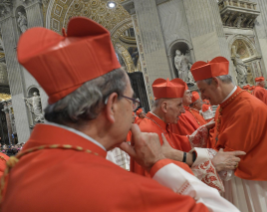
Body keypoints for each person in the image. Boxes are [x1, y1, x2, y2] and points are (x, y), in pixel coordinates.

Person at [1, 17, 240, 212]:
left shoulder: (17, 170)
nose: (135, 109)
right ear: (112, 106)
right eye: (132, 100)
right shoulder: (121, 193)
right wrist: (159, 165)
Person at [189, 57, 267, 212]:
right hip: (243, 180)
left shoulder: (247, 108)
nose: (202, 96)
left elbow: (229, 155)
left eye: (203, 90)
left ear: (215, 82)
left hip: (254, 185)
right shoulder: (225, 105)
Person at [132, 78, 246, 192]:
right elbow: (161, 182)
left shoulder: (159, 125)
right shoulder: (147, 132)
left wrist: (203, 132)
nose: (182, 111)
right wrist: (212, 166)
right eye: (179, 105)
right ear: (165, 107)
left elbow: (179, 143)